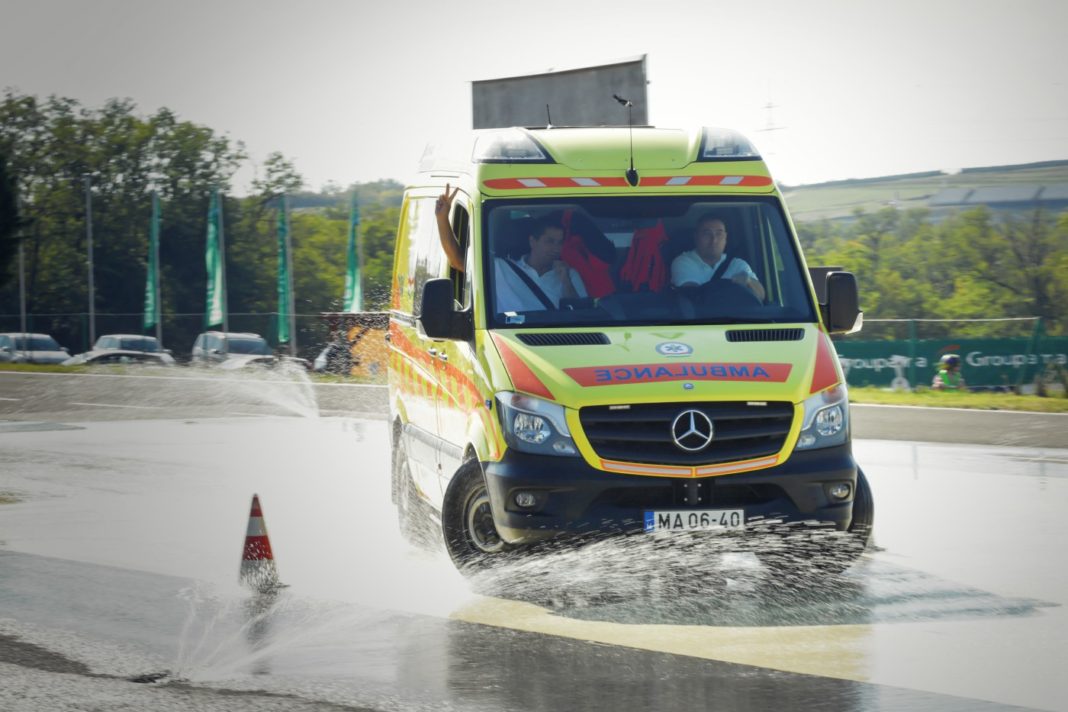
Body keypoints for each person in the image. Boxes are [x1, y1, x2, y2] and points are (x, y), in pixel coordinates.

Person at [436, 185, 587, 311]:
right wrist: (442, 218)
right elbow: (457, 261)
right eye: (550, 241)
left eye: (560, 242)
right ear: (533, 241)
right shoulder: (500, 268)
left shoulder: (570, 275)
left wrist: (566, 281)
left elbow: (580, 313)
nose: (556, 248)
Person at [670, 214, 765, 301]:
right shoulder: (683, 262)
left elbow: (761, 296)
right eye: (707, 233)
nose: (714, 240)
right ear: (696, 237)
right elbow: (694, 298)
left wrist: (749, 281)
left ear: (725, 238)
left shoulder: (737, 264)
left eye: (719, 234)